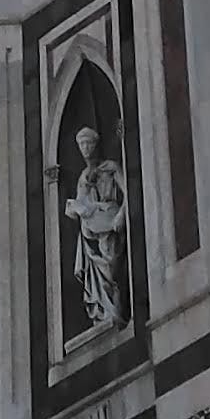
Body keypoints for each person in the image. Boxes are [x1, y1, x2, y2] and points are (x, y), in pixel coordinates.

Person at [64, 125, 131, 338]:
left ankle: (117, 313)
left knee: (111, 269)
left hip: (110, 222)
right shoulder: (83, 177)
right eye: (81, 144)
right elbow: (82, 203)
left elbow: (128, 190)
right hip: (91, 229)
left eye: (88, 143)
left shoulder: (110, 167)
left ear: (96, 144)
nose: (85, 148)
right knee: (97, 275)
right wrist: (75, 207)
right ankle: (104, 314)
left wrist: (121, 215)